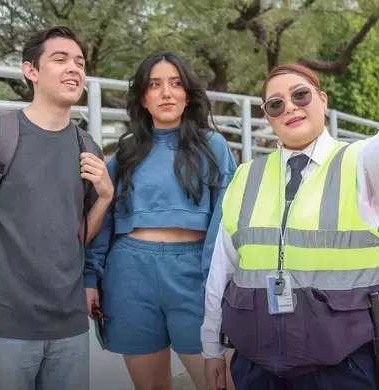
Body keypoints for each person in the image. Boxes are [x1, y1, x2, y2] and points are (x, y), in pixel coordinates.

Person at [202, 31, 379, 389]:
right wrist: (210, 347)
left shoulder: (362, 164)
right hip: (256, 368)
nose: (291, 108)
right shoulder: (246, 176)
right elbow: (222, 269)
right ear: (268, 117)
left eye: (300, 95)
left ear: (322, 99)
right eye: (275, 104)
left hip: (341, 369)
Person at [0, 26, 114, 390]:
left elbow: (79, 235)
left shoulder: (88, 148)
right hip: (3, 331)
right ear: (30, 71)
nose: (74, 68)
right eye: (60, 59)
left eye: (80, 62)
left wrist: (104, 198)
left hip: (70, 329)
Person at [84, 51, 237, 390]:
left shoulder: (214, 146)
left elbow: (225, 219)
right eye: (155, 85)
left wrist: (217, 283)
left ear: (187, 95)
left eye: (175, 84)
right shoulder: (124, 154)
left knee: (220, 383)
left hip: (194, 276)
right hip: (130, 276)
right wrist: (89, 278)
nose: (166, 93)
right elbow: (103, 223)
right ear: (143, 97)